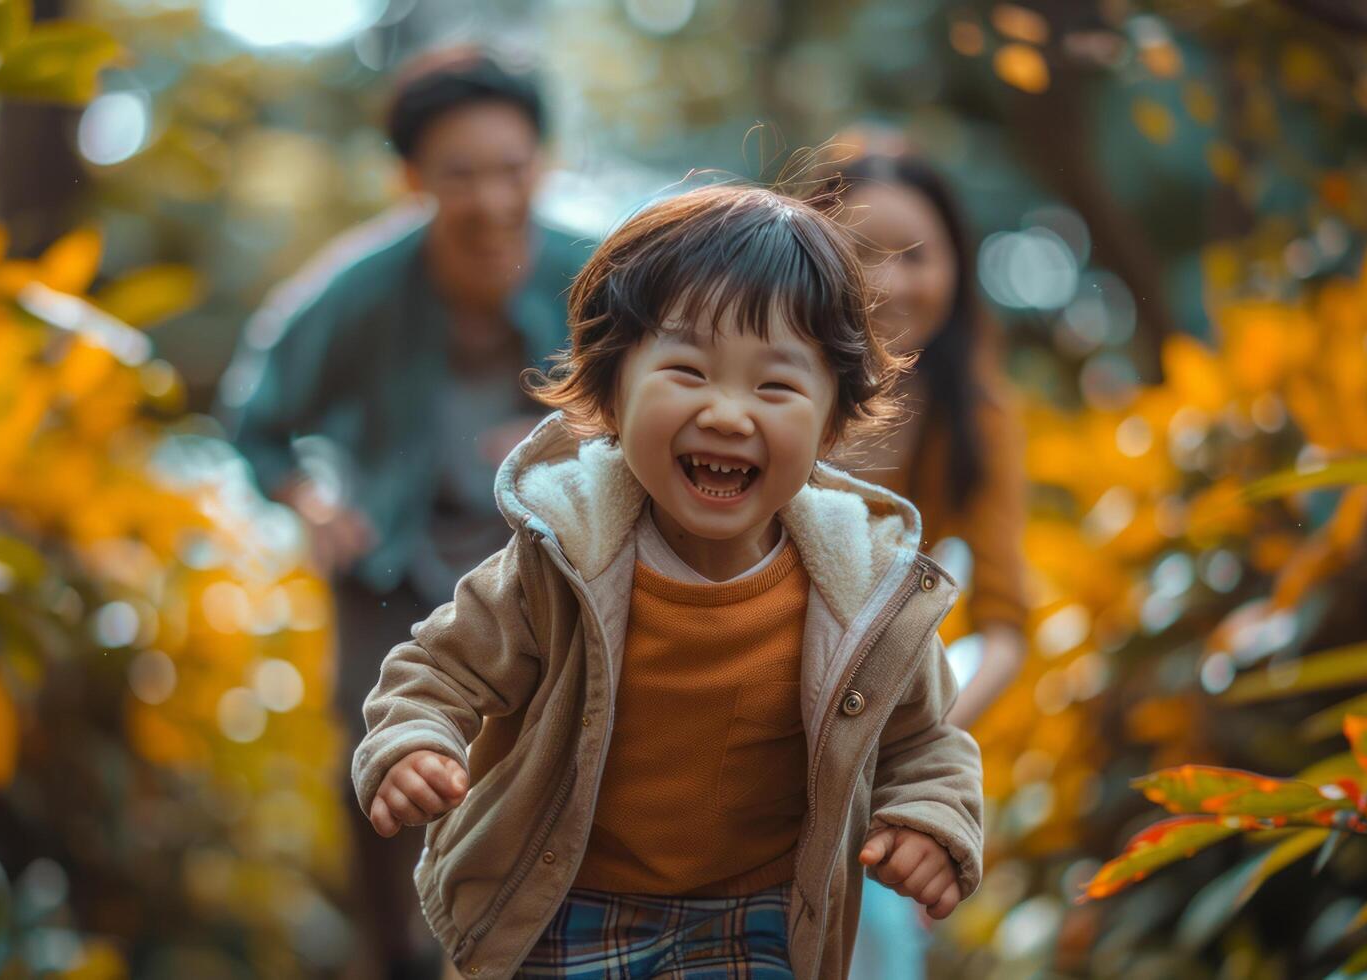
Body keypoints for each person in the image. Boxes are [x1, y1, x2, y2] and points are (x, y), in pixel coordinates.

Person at [351, 184, 985, 979]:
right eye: (686, 370)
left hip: (756, 918)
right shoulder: (563, 559)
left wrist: (930, 818)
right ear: (612, 391)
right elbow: (436, 669)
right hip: (565, 903)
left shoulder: (858, 588)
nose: (726, 413)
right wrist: (414, 742)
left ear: (829, 423)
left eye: (775, 386)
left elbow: (923, 738)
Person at [217, 48, 590, 980]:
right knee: (381, 774)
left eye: (511, 168)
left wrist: (564, 429)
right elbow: (255, 415)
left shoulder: (599, 273)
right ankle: (387, 953)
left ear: (542, 164)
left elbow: (664, 400)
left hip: (538, 568)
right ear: (412, 179)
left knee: (548, 770)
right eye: (459, 174)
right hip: (389, 566)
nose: (490, 199)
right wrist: (312, 496)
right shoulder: (361, 286)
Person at [818, 146, 1033, 980]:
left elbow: (1006, 630)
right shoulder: (762, 383)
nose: (892, 284)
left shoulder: (975, 414)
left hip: (878, 739)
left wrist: (905, 759)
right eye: (863, 254)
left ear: (957, 265)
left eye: (916, 256)